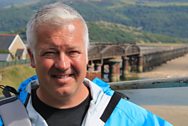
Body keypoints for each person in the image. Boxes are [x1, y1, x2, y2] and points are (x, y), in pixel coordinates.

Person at [0, 3, 172, 126]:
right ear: (31, 57)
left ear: (87, 55)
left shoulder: (133, 119)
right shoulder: (5, 117)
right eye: (50, 53)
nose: (62, 64)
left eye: (73, 52)